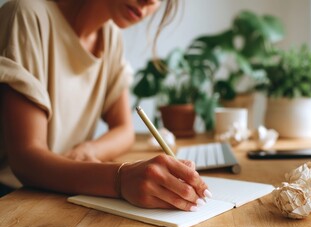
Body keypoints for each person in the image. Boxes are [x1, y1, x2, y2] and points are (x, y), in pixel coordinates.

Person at [0, 0, 210, 212]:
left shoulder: (110, 36)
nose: (151, 1)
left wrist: (88, 150)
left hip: (63, 193)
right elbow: (25, 159)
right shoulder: (26, 15)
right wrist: (120, 179)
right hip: (15, 199)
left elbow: (124, 130)